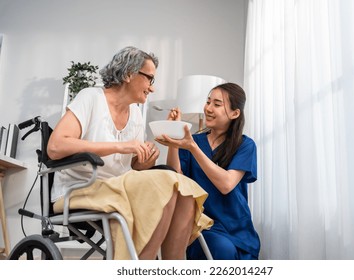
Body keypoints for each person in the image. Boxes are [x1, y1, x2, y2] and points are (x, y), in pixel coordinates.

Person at [47, 46, 212, 260]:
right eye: (149, 79)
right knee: (166, 184)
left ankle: (174, 266)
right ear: (128, 74)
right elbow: (56, 146)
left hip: (119, 186)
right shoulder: (91, 98)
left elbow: (132, 168)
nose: (151, 88)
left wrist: (145, 160)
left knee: (184, 189)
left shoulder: (134, 113)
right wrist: (121, 146)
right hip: (80, 189)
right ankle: (141, 266)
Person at [156, 82, 260, 260]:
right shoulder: (193, 140)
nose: (208, 108)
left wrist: (192, 148)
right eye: (208, 102)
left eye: (217, 104)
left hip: (235, 226)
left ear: (235, 113)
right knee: (219, 248)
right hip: (199, 224)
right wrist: (174, 142)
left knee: (228, 252)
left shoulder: (245, 145)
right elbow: (176, 178)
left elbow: (226, 184)